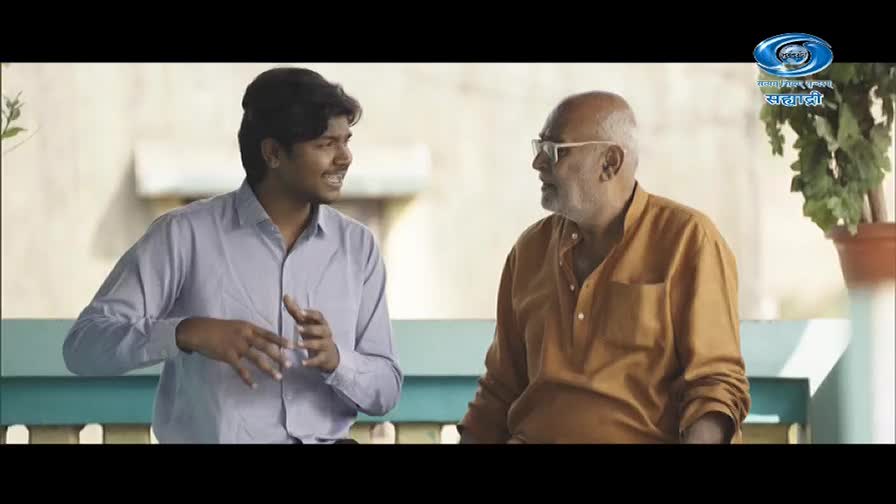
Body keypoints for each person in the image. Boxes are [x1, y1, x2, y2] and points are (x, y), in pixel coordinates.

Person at [63, 67, 402, 444]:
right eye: (326, 144)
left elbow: (386, 390)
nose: (345, 158)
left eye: (346, 141)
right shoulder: (184, 235)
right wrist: (186, 332)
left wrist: (338, 360)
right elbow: (84, 346)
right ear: (273, 153)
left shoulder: (358, 247)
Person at [458, 91, 751, 443]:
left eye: (555, 150)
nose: (537, 162)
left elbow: (714, 386)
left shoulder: (688, 241)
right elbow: (498, 391)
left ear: (609, 162)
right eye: (538, 146)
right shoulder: (529, 251)